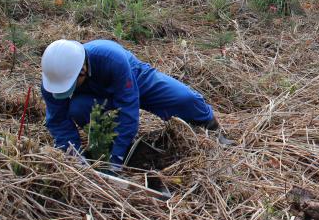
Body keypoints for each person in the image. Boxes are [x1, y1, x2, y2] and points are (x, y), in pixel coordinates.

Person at [41, 39, 231, 171]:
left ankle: (212, 128)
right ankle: (105, 144)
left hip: (135, 78)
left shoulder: (110, 57)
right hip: (96, 97)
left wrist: (116, 160)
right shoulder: (55, 79)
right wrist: (74, 156)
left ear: (82, 70)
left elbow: (128, 109)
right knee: (78, 108)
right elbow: (57, 121)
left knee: (186, 99)